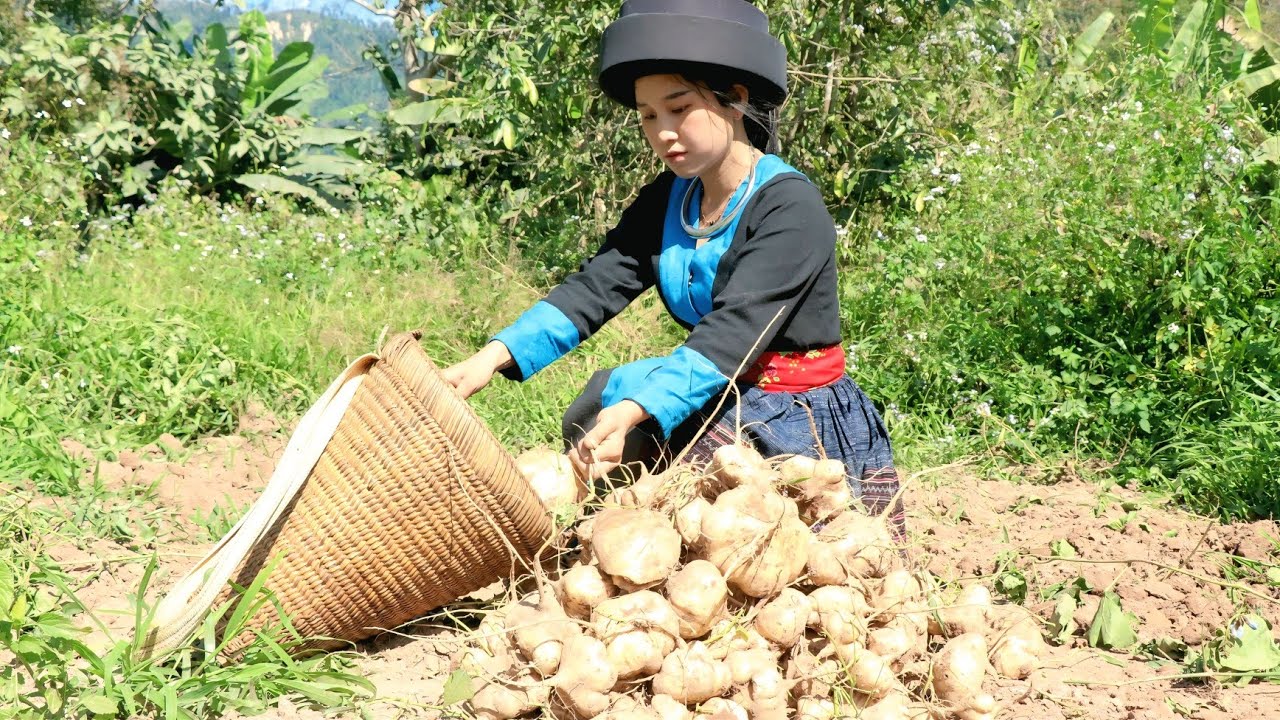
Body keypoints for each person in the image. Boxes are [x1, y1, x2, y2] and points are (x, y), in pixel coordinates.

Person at [441, 0, 904, 540]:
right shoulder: (671, 198)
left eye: (679, 108)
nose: (663, 132)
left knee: (737, 542)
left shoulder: (788, 206)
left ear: (735, 99)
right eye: (648, 115)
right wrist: (489, 360)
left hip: (790, 415)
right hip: (712, 387)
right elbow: (597, 286)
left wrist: (640, 408)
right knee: (594, 416)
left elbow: (733, 336)